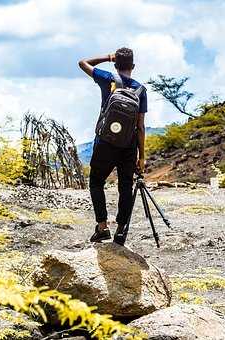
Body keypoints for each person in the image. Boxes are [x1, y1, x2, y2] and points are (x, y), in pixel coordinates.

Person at [78, 47, 147, 245]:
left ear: (116, 65)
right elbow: (140, 126)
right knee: (125, 187)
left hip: (105, 143)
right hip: (128, 146)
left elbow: (83, 63)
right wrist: (141, 157)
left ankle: (102, 227)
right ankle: (120, 230)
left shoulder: (108, 79)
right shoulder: (141, 90)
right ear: (133, 66)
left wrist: (108, 57)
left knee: (96, 182)